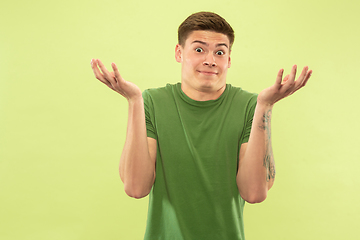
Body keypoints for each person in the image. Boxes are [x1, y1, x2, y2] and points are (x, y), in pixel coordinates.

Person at [90, 11, 312, 240]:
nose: (210, 60)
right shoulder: (152, 102)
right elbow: (136, 188)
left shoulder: (250, 106)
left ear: (229, 59)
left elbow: (254, 192)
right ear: (179, 53)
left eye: (219, 52)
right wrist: (134, 101)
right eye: (199, 49)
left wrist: (265, 106)